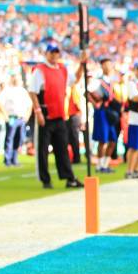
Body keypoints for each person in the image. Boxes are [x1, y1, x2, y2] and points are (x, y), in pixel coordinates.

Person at [29, 43, 85, 189]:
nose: (54, 55)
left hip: (60, 114)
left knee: (62, 148)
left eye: (56, 53)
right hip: (45, 113)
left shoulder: (62, 69)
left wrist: (82, 64)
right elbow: (33, 91)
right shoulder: (40, 71)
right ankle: (45, 179)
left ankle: (69, 177)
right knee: (43, 149)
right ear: (46, 54)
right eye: (51, 53)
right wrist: (38, 111)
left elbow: (76, 79)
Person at [89, 58, 120, 173]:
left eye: (109, 65)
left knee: (112, 139)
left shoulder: (110, 81)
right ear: (102, 67)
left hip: (110, 111)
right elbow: (87, 92)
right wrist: (95, 104)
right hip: (102, 111)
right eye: (106, 65)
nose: (108, 67)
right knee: (103, 139)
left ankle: (106, 164)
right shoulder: (98, 81)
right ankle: (99, 165)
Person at [0, 73, 32, 167]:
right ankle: (7, 160)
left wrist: (27, 115)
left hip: (21, 118)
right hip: (12, 117)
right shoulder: (7, 90)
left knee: (19, 138)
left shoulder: (23, 91)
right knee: (10, 138)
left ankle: (14, 159)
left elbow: (29, 104)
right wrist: (5, 114)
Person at [66, 83, 83, 164]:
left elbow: (77, 103)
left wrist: (81, 115)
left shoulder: (74, 88)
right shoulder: (71, 88)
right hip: (70, 115)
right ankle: (74, 157)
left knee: (74, 137)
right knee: (71, 138)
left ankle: (76, 158)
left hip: (74, 115)